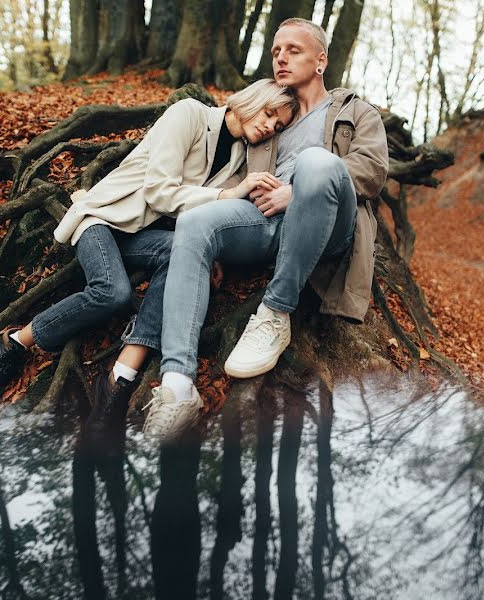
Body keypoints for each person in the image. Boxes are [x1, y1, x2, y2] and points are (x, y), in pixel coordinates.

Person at [0, 80, 298, 430]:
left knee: (180, 258)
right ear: (249, 100)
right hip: (105, 218)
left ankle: (118, 381)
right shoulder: (189, 114)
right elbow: (160, 192)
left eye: (277, 126)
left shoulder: (238, 159)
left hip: (146, 236)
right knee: (112, 293)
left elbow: (200, 219)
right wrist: (231, 195)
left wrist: (209, 250)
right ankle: (14, 344)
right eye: (268, 114)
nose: (268, 127)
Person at [142, 18, 390, 443]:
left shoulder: (354, 111)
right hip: (265, 223)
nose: (281, 58)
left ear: (320, 60)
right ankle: (177, 384)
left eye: (293, 50)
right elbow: (230, 168)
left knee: (317, 164)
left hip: (329, 226)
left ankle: (275, 313)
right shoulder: (273, 112)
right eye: (276, 51)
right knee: (196, 221)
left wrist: (296, 192)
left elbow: (372, 171)